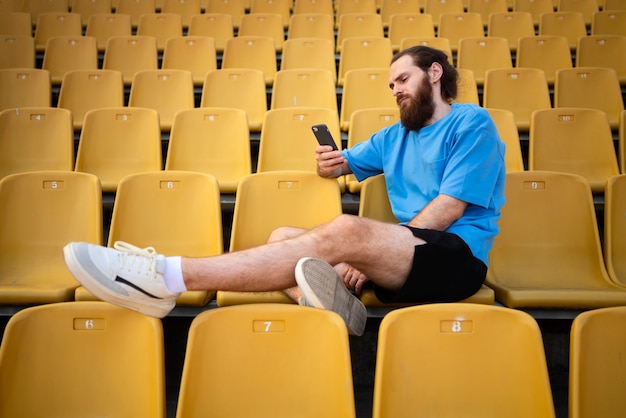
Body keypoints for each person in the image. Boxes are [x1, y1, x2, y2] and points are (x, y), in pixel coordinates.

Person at [64, 46, 506, 336]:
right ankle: (339, 313)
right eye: (390, 85)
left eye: (402, 80)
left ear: (434, 73)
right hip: (408, 257)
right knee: (282, 238)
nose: (395, 91)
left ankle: (166, 275)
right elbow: (343, 164)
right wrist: (330, 163)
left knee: (347, 231)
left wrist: (365, 256)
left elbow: (448, 208)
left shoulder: (472, 123)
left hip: (458, 257)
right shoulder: (394, 136)